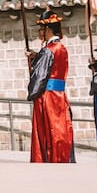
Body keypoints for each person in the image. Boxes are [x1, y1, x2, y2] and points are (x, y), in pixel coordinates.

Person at [27, 10, 75, 163]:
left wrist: (32, 92)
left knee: (48, 130)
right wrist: (37, 57)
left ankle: (49, 159)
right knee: (60, 128)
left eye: (41, 30)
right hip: (60, 95)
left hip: (47, 97)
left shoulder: (48, 50)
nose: (40, 33)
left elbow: (40, 76)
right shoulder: (61, 48)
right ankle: (62, 157)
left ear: (48, 29)